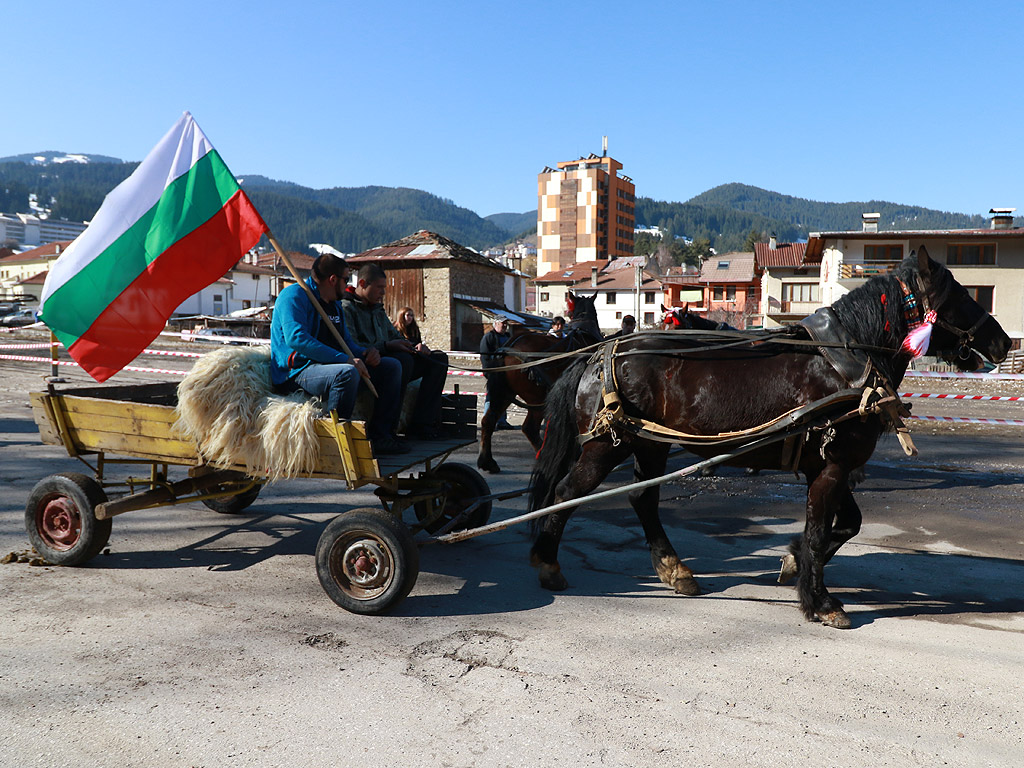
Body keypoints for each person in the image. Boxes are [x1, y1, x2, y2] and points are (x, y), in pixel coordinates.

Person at [270, 254, 409, 454]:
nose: (348, 284)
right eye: (346, 279)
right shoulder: (294, 296)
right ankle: (336, 443)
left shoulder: (335, 304)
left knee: (392, 367)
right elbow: (296, 339)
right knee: (346, 373)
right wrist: (345, 360)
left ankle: (381, 436)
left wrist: (365, 353)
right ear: (333, 279)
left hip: (329, 367)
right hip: (296, 371)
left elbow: (346, 344)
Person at [342, 263, 450, 440]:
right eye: (379, 288)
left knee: (438, 359)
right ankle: (387, 430)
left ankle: (422, 424)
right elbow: (353, 345)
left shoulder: (377, 309)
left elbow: (393, 336)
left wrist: (413, 346)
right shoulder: (347, 309)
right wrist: (387, 347)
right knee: (401, 362)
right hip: (370, 366)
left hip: (391, 358)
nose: (383, 293)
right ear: (362, 283)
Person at [479, 316, 514, 430]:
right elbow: (485, 356)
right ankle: (488, 421)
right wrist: (488, 372)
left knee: (504, 397)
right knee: (492, 397)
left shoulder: (508, 337)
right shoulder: (489, 337)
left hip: (506, 373)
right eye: (502, 323)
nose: (504, 326)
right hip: (494, 372)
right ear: (495, 324)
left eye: (505, 324)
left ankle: (502, 421)